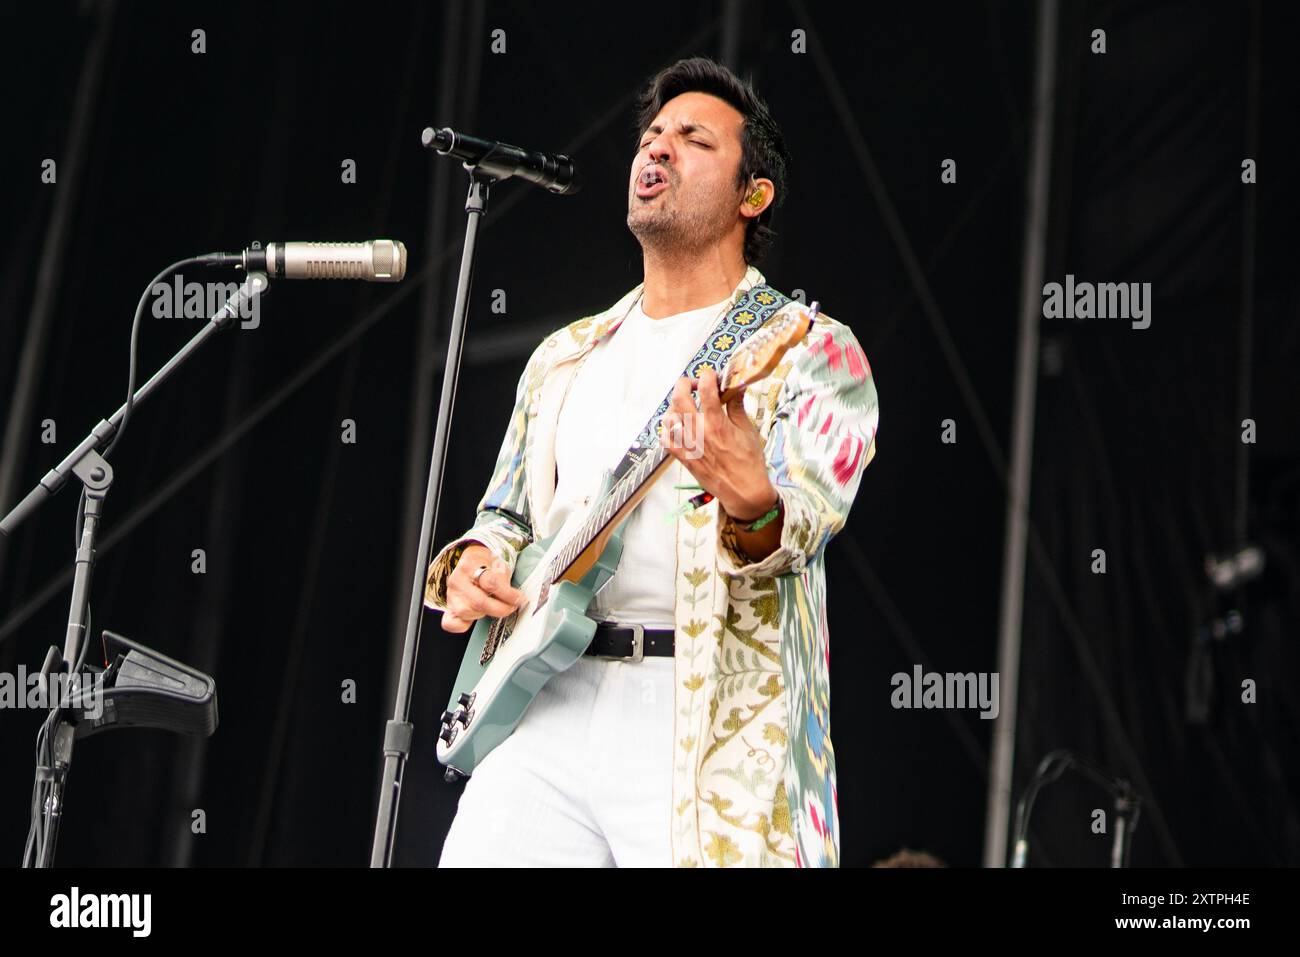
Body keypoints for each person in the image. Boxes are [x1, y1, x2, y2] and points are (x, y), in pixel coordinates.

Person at [424, 55, 879, 867]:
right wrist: (475, 563)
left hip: (705, 717)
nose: (658, 149)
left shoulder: (807, 349)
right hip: (544, 700)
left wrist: (752, 500)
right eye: (653, 135)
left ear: (754, 195)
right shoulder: (565, 356)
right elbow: (503, 515)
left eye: (694, 139)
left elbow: (803, 521)